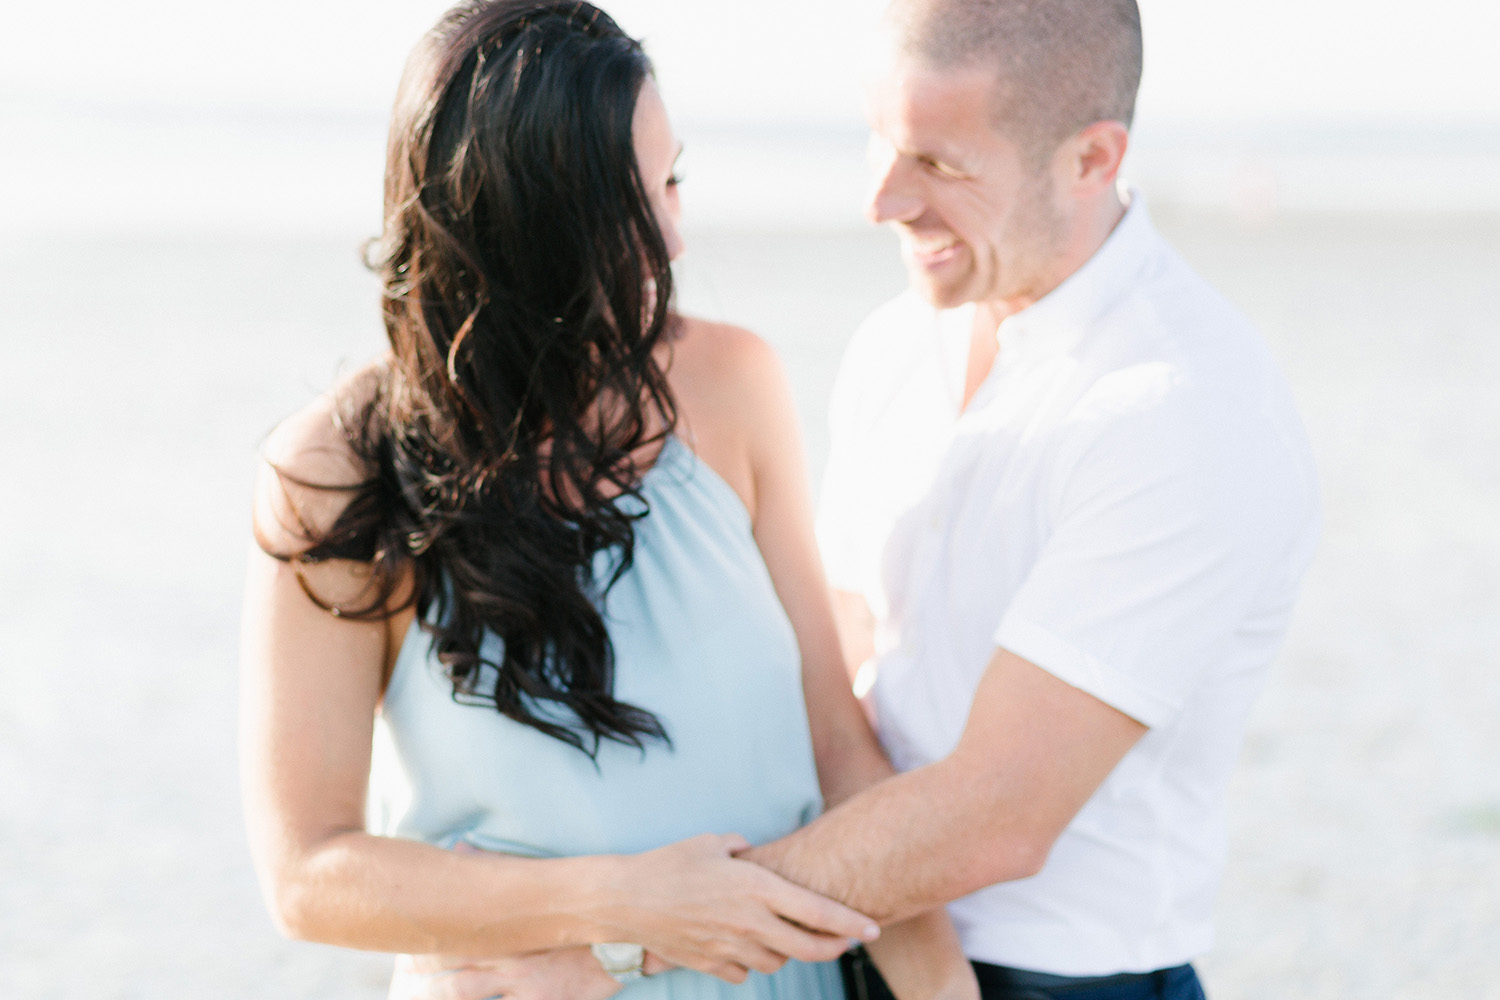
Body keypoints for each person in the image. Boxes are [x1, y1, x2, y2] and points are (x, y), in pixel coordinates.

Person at [393, 0, 1320, 998]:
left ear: (1093, 159)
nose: (883, 198)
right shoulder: (899, 343)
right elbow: (828, 677)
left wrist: (623, 942)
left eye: (941, 164)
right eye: (880, 138)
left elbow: (996, 813)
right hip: (841, 949)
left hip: (1054, 979)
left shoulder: (1178, 408)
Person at [237, 2, 978, 999]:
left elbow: (836, 741)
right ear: (506, 225)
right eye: (623, 208)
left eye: (674, 182)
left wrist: (940, 984)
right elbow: (308, 875)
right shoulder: (336, 471)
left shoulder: (732, 383)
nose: (669, 239)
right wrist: (622, 904)